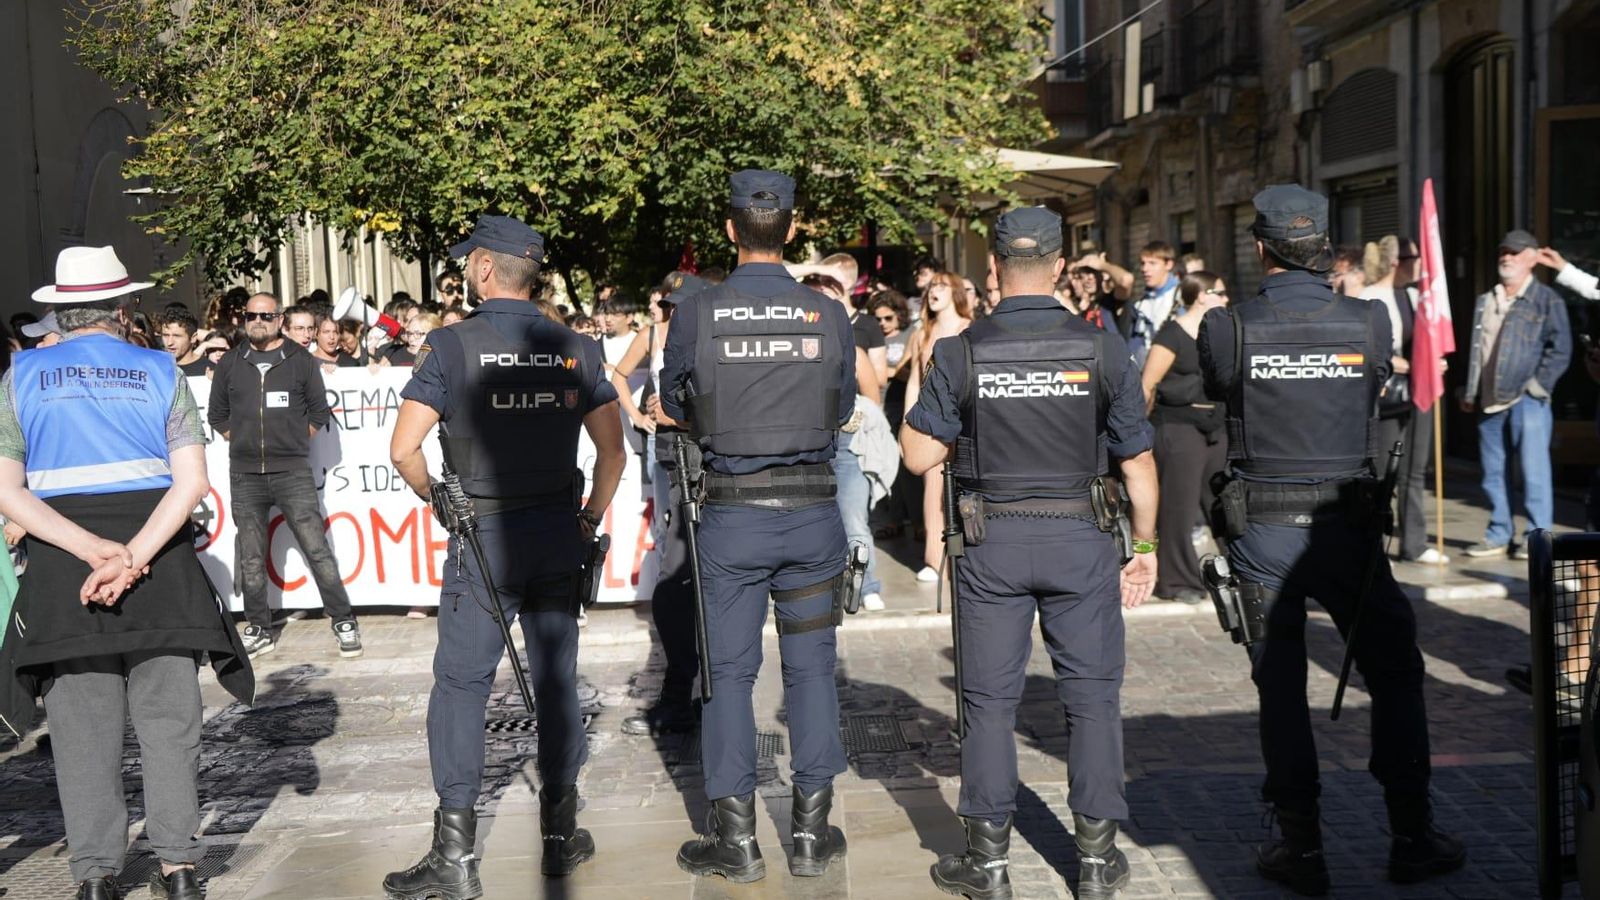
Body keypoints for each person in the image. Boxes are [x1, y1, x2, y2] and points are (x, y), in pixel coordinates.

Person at [1198, 185, 1465, 894]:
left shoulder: (1228, 326)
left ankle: (1302, 847)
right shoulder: (1370, 321)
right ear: (1323, 246)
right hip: (1346, 531)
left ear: (1260, 248)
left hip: (1265, 530)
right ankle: (1411, 835)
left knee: (1280, 689)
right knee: (1398, 675)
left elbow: (1221, 388)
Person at [899, 207, 1158, 900]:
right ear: (1060, 263)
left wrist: (934, 372)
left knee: (987, 702)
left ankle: (987, 862)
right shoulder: (1104, 347)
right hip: (1082, 539)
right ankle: (1098, 861)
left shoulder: (961, 350)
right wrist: (1149, 546)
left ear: (992, 270)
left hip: (993, 543)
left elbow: (919, 454)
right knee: (1094, 699)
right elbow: (1137, 464)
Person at [0, 245, 254, 900]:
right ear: (121, 306)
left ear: (59, 306)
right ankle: (178, 867)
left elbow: (8, 493)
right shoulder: (159, 369)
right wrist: (132, 556)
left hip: (64, 573)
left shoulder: (21, 376)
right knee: (170, 723)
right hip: (160, 568)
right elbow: (192, 480)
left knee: (82, 732)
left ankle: (95, 875)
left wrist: (91, 552)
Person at [384, 215, 626, 895]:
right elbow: (614, 451)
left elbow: (403, 449)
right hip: (556, 533)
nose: (465, 270)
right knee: (555, 682)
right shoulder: (577, 347)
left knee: (462, 688)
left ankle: (456, 858)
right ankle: (559, 835)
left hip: (484, 541)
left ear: (486, 268)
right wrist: (588, 520)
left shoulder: (453, 346)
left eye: (468, 261)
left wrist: (438, 496)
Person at [659, 169, 855, 882]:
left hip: (735, 518)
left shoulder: (698, 310)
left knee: (730, 676)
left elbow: (672, 397)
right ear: (793, 229)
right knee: (809, 674)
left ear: (729, 228)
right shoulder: (827, 314)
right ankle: (810, 834)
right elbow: (839, 407)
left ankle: (736, 841)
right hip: (810, 519)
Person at [208, 293, 361, 659]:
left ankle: (343, 620)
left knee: (316, 549)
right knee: (250, 556)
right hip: (245, 475)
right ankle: (259, 627)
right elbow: (217, 415)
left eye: (265, 315)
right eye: (251, 315)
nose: (257, 320)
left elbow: (319, 413)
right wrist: (244, 441)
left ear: (279, 319)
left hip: (293, 473)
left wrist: (290, 443)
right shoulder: (231, 362)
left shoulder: (300, 361)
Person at [613, 273, 706, 736]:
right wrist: (648, 415)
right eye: (667, 307)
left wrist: (673, 415)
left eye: (676, 308)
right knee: (678, 585)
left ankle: (692, 694)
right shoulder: (667, 341)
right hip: (675, 465)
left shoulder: (710, 343)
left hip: (704, 471)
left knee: (684, 585)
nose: (668, 315)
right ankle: (689, 692)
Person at [1460, 229, 1571, 560]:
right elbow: (1479, 350)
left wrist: (1537, 388)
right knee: (1493, 472)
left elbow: (1561, 349)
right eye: (1503, 252)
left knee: (1534, 471)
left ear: (1533, 258)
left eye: (1515, 252)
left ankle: (1536, 537)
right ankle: (1498, 533)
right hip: (1490, 399)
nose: (1506, 257)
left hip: (1527, 400)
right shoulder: (1486, 299)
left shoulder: (1547, 299)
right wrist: (1470, 390)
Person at [1141, 271, 1229, 604]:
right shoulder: (1173, 334)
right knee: (1179, 506)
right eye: (1220, 292)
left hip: (1214, 426)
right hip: (1177, 428)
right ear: (1202, 295)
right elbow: (1147, 384)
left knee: (1223, 502)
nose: (1226, 298)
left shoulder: (1220, 331)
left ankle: (1238, 570)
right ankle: (1177, 580)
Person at [801, 273, 886, 612]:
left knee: (853, 520)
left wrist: (856, 417)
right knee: (810, 524)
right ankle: (821, 588)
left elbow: (872, 400)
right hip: (808, 446)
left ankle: (868, 587)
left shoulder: (853, 349)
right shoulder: (796, 347)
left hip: (848, 445)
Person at [1363, 236, 1447, 564]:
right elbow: (1372, 349)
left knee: (1415, 468)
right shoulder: (1371, 297)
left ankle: (1414, 543)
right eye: (1416, 257)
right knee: (1384, 471)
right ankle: (1373, 541)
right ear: (1398, 260)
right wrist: (1410, 365)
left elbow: (1427, 341)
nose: (1422, 264)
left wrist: (1434, 361)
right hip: (1388, 394)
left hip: (1419, 390)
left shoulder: (1415, 296)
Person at [905, 270, 972, 581]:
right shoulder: (921, 333)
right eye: (932, 286)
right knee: (932, 489)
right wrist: (906, 426)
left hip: (963, 421)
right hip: (930, 420)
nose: (934, 291)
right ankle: (936, 559)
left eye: (942, 286)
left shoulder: (969, 330)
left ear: (955, 292)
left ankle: (965, 553)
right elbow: (914, 383)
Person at [1127, 242, 1183, 368]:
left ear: (1168, 264)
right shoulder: (1141, 303)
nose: (1145, 269)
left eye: (1152, 263)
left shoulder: (1182, 297)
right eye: (1143, 263)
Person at [156, 307, 213, 376]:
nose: (169, 343)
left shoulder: (211, 371)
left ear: (193, 338)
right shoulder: (155, 369)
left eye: (177, 336)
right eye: (166, 335)